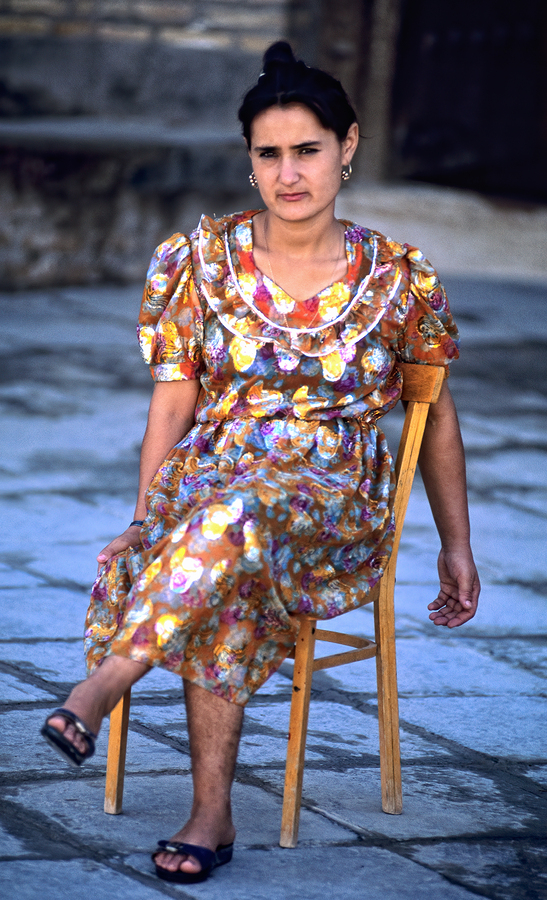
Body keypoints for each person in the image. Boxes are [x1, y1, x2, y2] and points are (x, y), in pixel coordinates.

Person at [40, 41, 480, 884]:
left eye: (307, 150)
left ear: (346, 147)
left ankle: (101, 685)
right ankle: (211, 815)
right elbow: (172, 404)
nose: (288, 173)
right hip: (214, 489)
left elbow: (437, 416)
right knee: (226, 533)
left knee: (232, 519)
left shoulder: (398, 278)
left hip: (333, 500)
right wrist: (143, 519)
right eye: (268, 153)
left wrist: (454, 546)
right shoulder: (198, 265)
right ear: (249, 160)